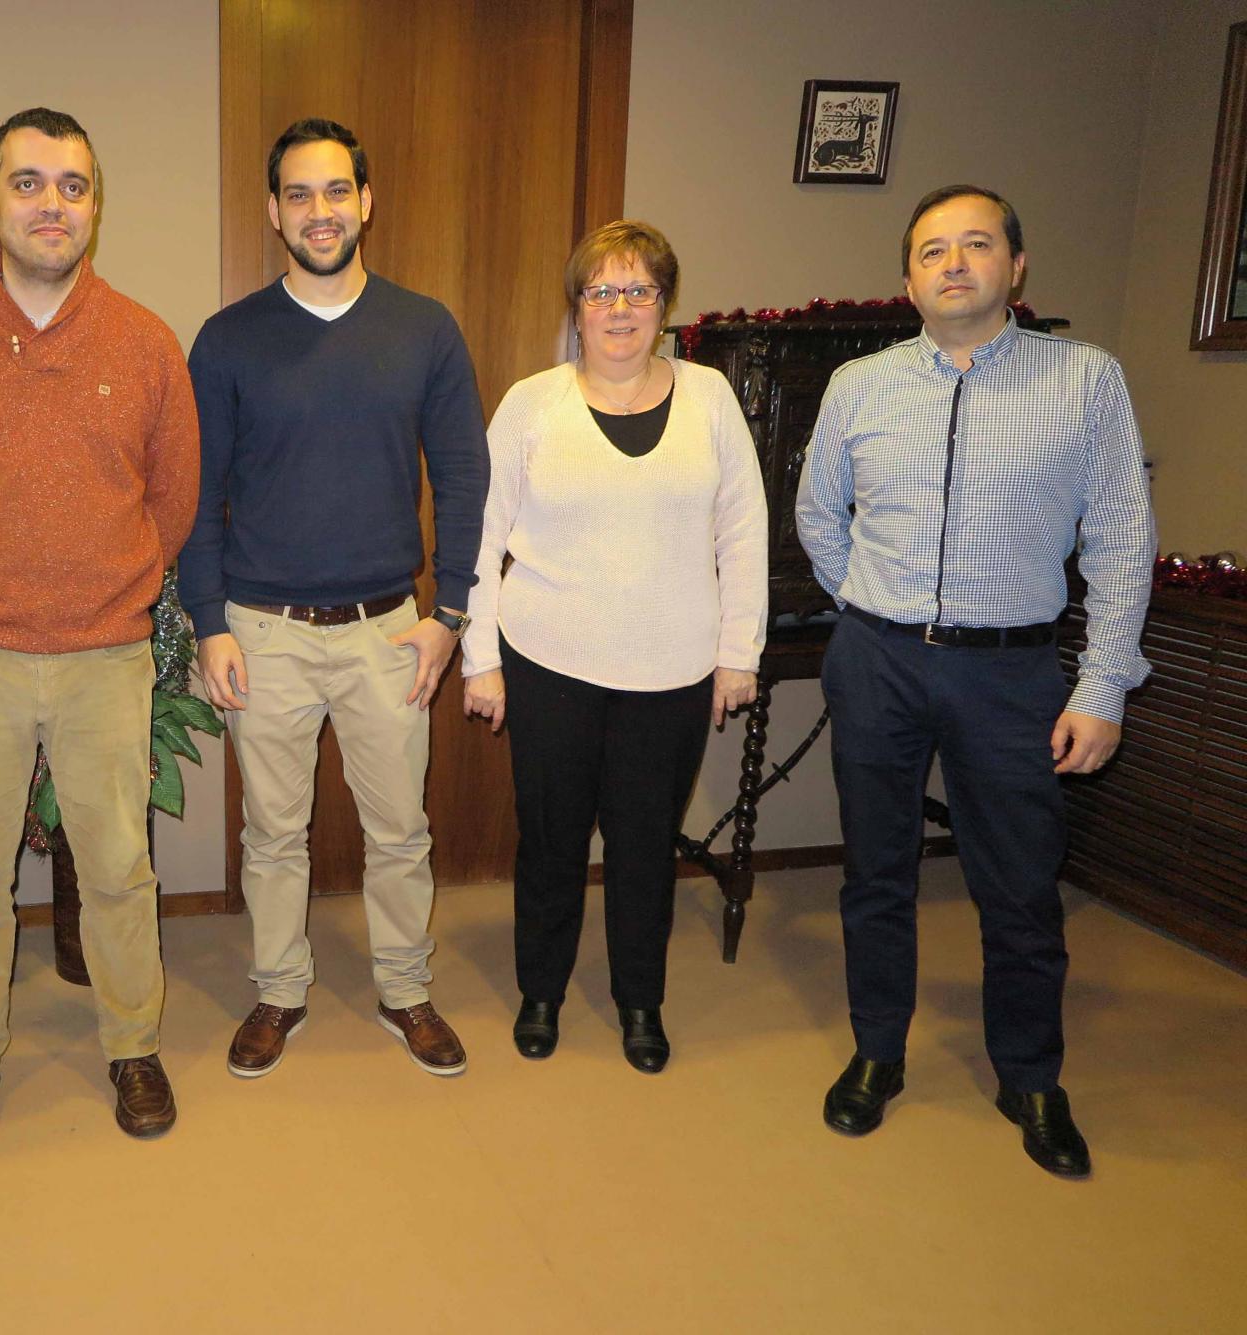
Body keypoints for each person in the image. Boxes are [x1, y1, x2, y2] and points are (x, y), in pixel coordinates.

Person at [796, 184, 1156, 1178]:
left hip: (1010, 675)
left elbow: (1122, 543)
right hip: (876, 663)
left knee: (1018, 885)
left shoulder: (1082, 382)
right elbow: (819, 518)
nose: (951, 264)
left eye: (973, 245)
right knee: (875, 874)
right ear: (905, 277)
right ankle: (876, 1053)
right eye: (929, 251)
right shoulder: (857, 388)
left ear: (1015, 265)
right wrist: (875, 604)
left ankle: (1029, 1075)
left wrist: (1101, 687)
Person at [0, 107, 198, 1143]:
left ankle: (131, 1044)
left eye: (71, 185)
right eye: (28, 183)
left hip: (105, 656)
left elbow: (173, 496)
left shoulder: (144, 341)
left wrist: (112, 588)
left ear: (93, 206)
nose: (50, 204)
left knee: (116, 869)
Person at [184, 117, 491, 1079]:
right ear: (275, 211)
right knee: (272, 833)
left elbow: (465, 477)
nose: (320, 212)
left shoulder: (424, 328)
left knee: (400, 828)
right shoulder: (229, 340)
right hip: (262, 631)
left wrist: (449, 616)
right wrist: (208, 623)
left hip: (387, 633)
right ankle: (279, 989)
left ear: (367, 201)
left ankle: (405, 986)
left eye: (336, 192)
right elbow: (196, 496)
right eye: (299, 195)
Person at [461, 220, 767, 1072]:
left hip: (671, 670)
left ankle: (641, 999)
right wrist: (479, 657)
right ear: (578, 309)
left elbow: (744, 529)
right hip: (548, 663)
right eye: (603, 291)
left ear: (664, 306)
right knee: (552, 841)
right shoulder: (532, 404)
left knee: (644, 847)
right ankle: (542, 991)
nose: (621, 308)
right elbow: (479, 540)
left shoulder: (709, 399)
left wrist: (738, 649)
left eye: (640, 290)